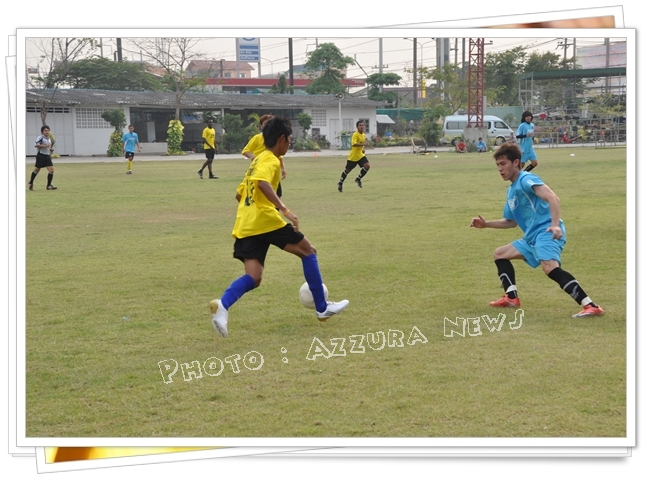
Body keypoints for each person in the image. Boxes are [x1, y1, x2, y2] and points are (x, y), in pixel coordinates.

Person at [210, 116, 349, 337]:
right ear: (281, 138)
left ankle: (222, 305)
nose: (290, 143)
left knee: (253, 277)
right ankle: (322, 308)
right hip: (265, 219)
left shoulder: (256, 160)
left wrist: (256, 210)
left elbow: (239, 194)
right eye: (290, 139)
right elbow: (263, 183)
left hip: (246, 223)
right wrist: (284, 209)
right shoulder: (271, 160)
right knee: (308, 251)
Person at [469, 143, 604, 318]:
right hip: (531, 237)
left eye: (503, 164)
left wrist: (555, 225)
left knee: (550, 268)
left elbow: (552, 197)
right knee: (500, 254)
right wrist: (486, 224)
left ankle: (591, 306)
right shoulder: (511, 191)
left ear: (516, 162)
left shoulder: (525, 179)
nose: (500, 169)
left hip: (546, 231)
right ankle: (511, 298)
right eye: (498, 165)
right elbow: (510, 222)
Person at [242, 114, 285, 197]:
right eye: (265, 124)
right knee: (262, 192)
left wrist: (283, 168)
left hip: (273, 168)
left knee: (277, 194)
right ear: (261, 126)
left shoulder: (276, 139)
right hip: (260, 169)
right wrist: (252, 157)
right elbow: (245, 151)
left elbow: (279, 155)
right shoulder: (257, 138)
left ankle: (275, 209)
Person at [337, 120, 370, 192]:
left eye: (362, 125)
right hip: (353, 157)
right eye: (360, 125)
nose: (361, 126)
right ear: (357, 127)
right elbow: (354, 144)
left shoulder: (363, 135)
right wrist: (363, 144)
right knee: (347, 171)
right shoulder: (355, 134)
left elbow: (361, 145)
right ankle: (340, 183)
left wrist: (362, 149)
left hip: (360, 155)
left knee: (367, 166)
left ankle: (358, 179)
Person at [28, 125, 57, 190]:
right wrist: (45, 146)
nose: (47, 132)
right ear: (42, 132)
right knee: (36, 170)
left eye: (48, 130)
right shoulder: (40, 137)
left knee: (51, 170)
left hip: (47, 156)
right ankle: (31, 182)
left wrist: (51, 149)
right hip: (41, 156)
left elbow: (48, 147)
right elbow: (36, 145)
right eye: (45, 131)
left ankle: (49, 185)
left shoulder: (49, 138)